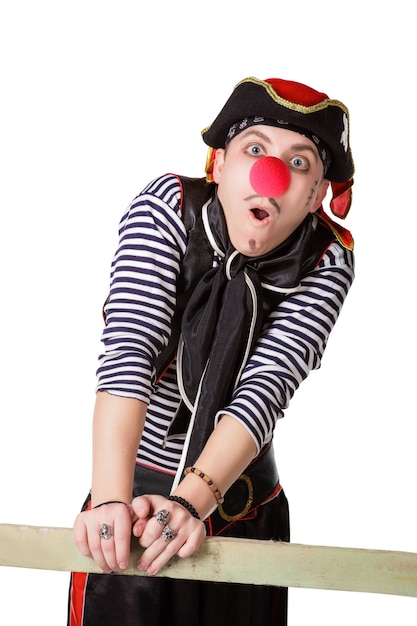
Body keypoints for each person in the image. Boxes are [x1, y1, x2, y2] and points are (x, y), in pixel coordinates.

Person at [68, 76, 355, 625]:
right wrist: (109, 501)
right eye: (255, 150)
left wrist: (190, 504)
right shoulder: (167, 208)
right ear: (218, 164)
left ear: (318, 195)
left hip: (240, 508)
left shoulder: (327, 259)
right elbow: (130, 350)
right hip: (125, 502)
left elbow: (266, 387)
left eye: (299, 164)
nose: (270, 176)